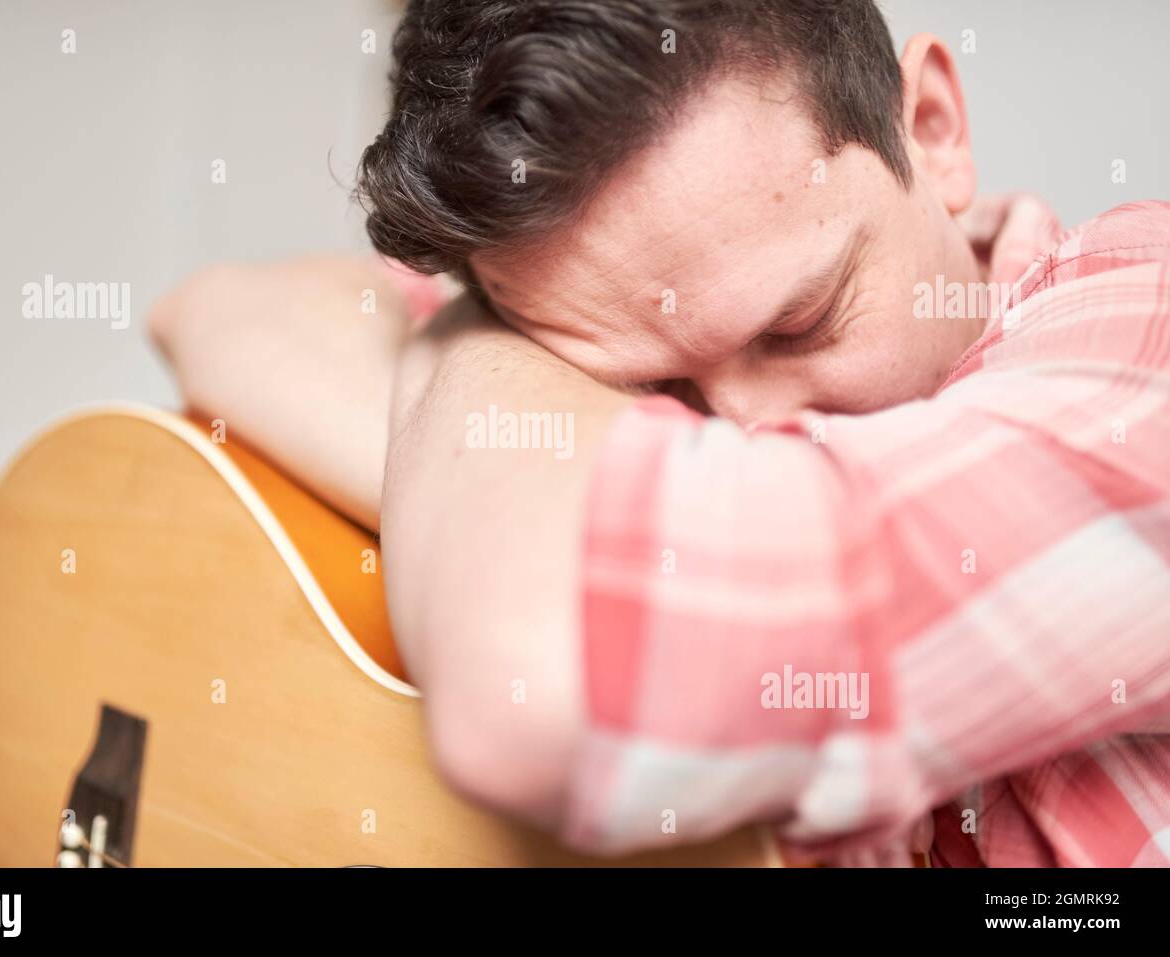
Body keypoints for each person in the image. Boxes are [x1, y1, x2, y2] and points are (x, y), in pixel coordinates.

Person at [149, 0, 1170, 866]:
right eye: (641, 391)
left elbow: (539, 679)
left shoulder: (1145, 335)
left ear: (934, 128)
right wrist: (498, 353)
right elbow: (216, 313)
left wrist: (484, 380)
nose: (740, 431)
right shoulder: (588, 296)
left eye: (799, 321)